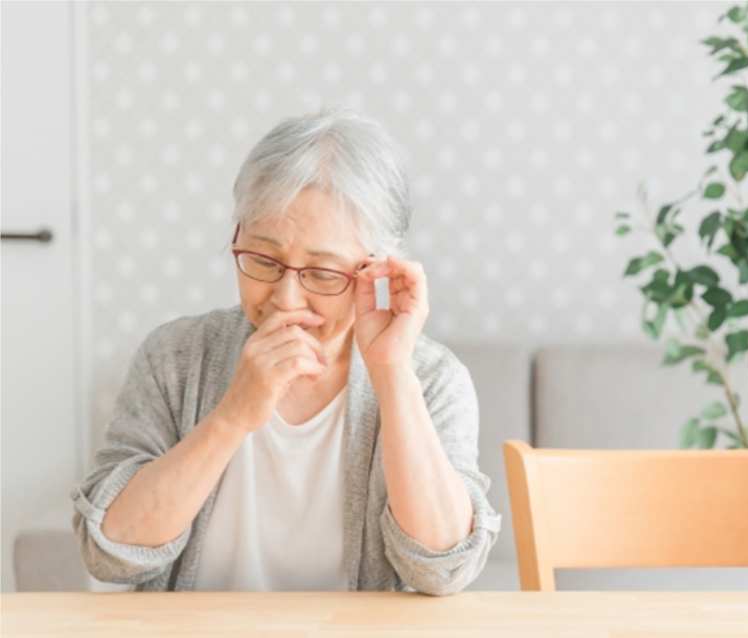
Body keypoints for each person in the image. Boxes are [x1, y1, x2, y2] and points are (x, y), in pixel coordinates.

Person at [70, 107, 501, 595]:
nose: (286, 298)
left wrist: (392, 371)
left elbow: (443, 570)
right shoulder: (175, 357)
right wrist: (232, 416)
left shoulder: (432, 376)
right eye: (263, 259)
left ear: (378, 270)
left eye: (322, 272)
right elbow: (110, 554)